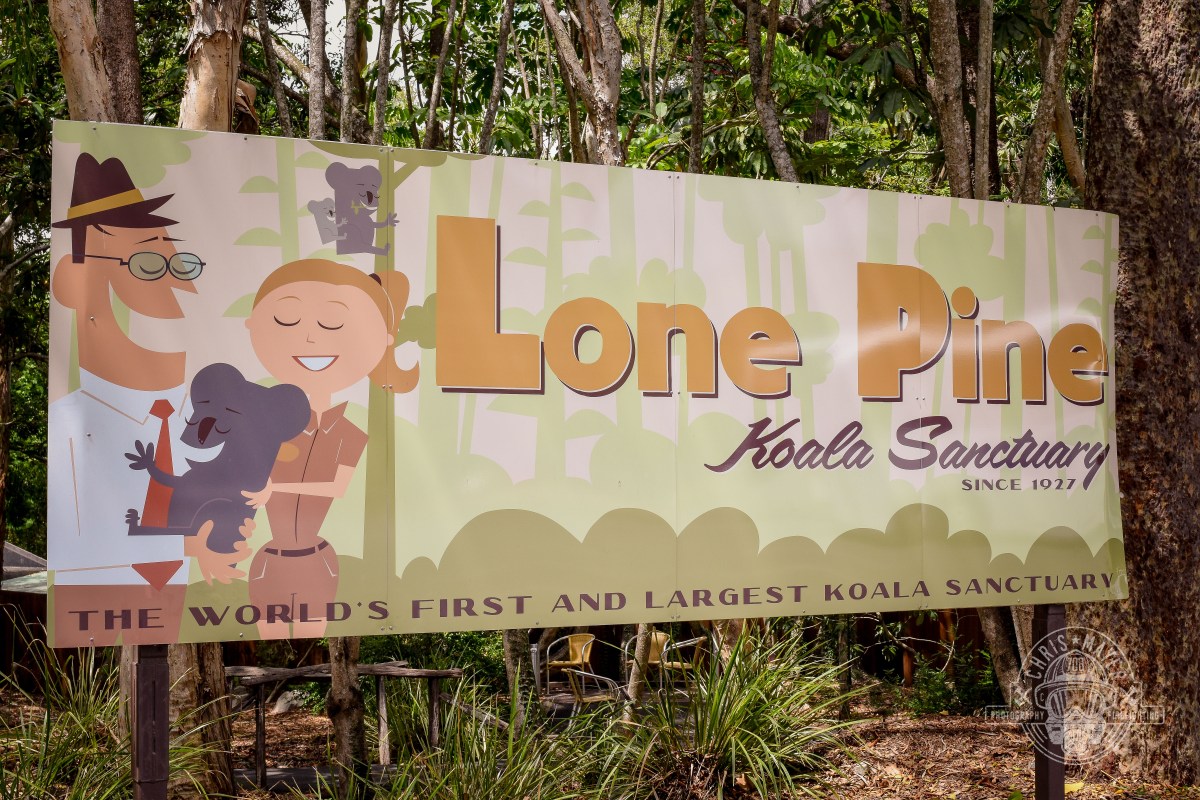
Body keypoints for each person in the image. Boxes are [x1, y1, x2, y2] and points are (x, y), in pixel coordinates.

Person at [48, 152, 251, 647]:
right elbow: (83, 560)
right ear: (73, 282)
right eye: (144, 262)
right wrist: (187, 548)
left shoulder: (214, 426)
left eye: (179, 262)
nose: (178, 285)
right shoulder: (71, 428)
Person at [242, 259, 417, 638]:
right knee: (268, 637)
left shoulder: (348, 432)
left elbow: (336, 488)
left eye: (336, 325)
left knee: (313, 638)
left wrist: (276, 488)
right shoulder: (264, 422)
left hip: (316, 560)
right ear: (253, 325)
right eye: (286, 319)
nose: (310, 339)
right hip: (268, 561)